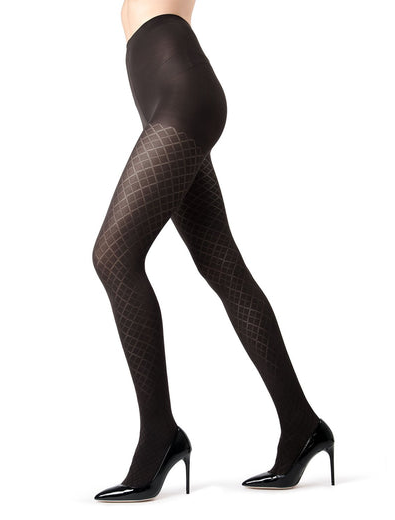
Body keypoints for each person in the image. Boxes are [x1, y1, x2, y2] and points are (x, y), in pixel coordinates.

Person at [92, 0, 335, 502]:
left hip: (182, 97)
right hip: (164, 101)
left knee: (113, 256)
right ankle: (302, 425)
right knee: (223, 266)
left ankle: (159, 436)